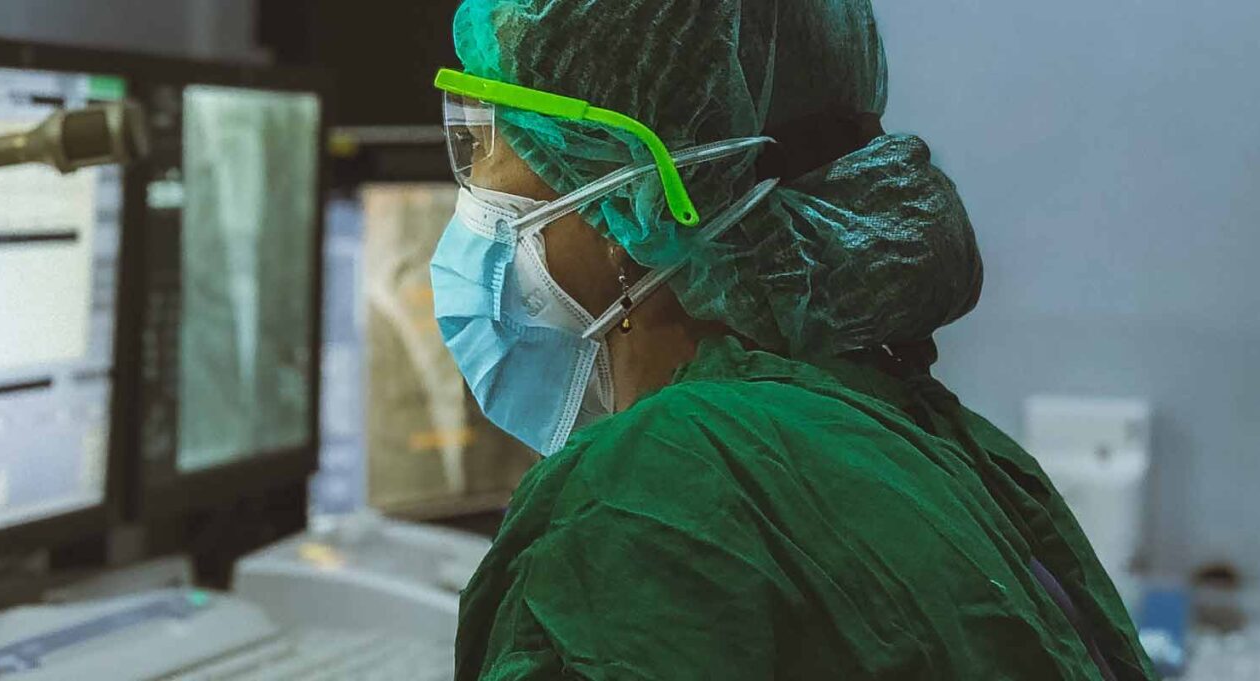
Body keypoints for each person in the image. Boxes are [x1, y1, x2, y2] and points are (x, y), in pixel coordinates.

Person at [427, 0, 1158, 679]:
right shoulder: (914, 431)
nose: (474, 189)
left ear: (625, 201)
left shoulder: (659, 485)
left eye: (484, 145)